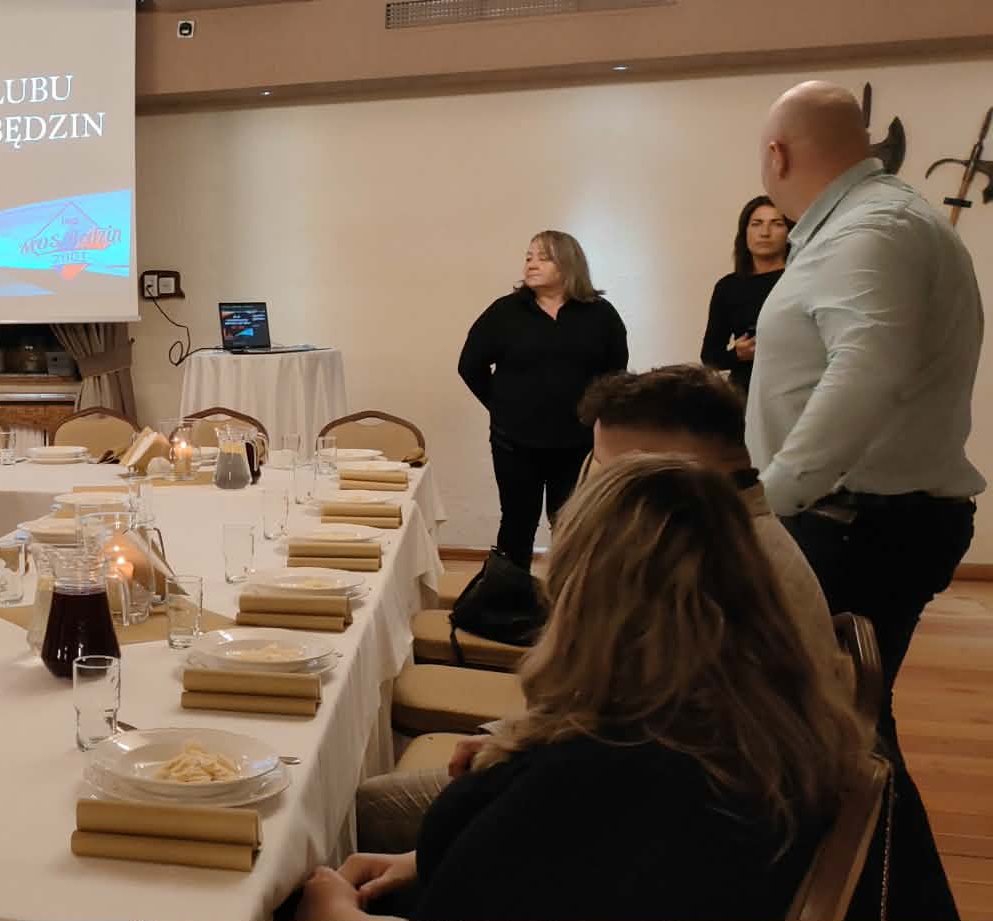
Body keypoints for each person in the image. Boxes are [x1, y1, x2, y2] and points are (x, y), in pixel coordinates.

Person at [301, 455, 868, 921]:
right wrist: (426, 859)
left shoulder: (602, 779)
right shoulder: (758, 717)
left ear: (588, 601)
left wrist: (332, 912)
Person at [352, 365, 848, 856]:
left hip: (657, 823)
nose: (591, 492)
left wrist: (515, 764)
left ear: (670, 475)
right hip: (632, 786)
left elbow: (635, 754)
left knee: (369, 811)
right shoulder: (726, 539)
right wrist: (514, 738)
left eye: (610, 475)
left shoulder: (714, 569)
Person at [751, 79, 983, 921]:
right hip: (857, 518)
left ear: (777, 155)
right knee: (842, 737)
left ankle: (891, 903)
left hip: (852, 525)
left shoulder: (872, 230)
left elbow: (863, 375)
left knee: (841, 743)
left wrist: (762, 503)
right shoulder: (872, 222)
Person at [456, 231, 629, 568]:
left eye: (543, 257)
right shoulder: (505, 312)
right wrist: (502, 407)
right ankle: (512, 596)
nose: (531, 264)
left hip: (577, 442)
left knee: (571, 526)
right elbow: (470, 365)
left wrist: (599, 423)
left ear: (568, 263)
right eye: (528, 257)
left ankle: (567, 596)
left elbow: (614, 377)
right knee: (517, 523)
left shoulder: (600, 314)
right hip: (515, 442)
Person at [699, 196, 790, 397]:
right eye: (757, 224)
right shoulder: (728, 287)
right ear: (745, 232)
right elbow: (710, 357)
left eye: (776, 224)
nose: (765, 233)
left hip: (796, 387)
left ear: (790, 232)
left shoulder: (801, 278)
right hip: (746, 393)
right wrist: (738, 354)